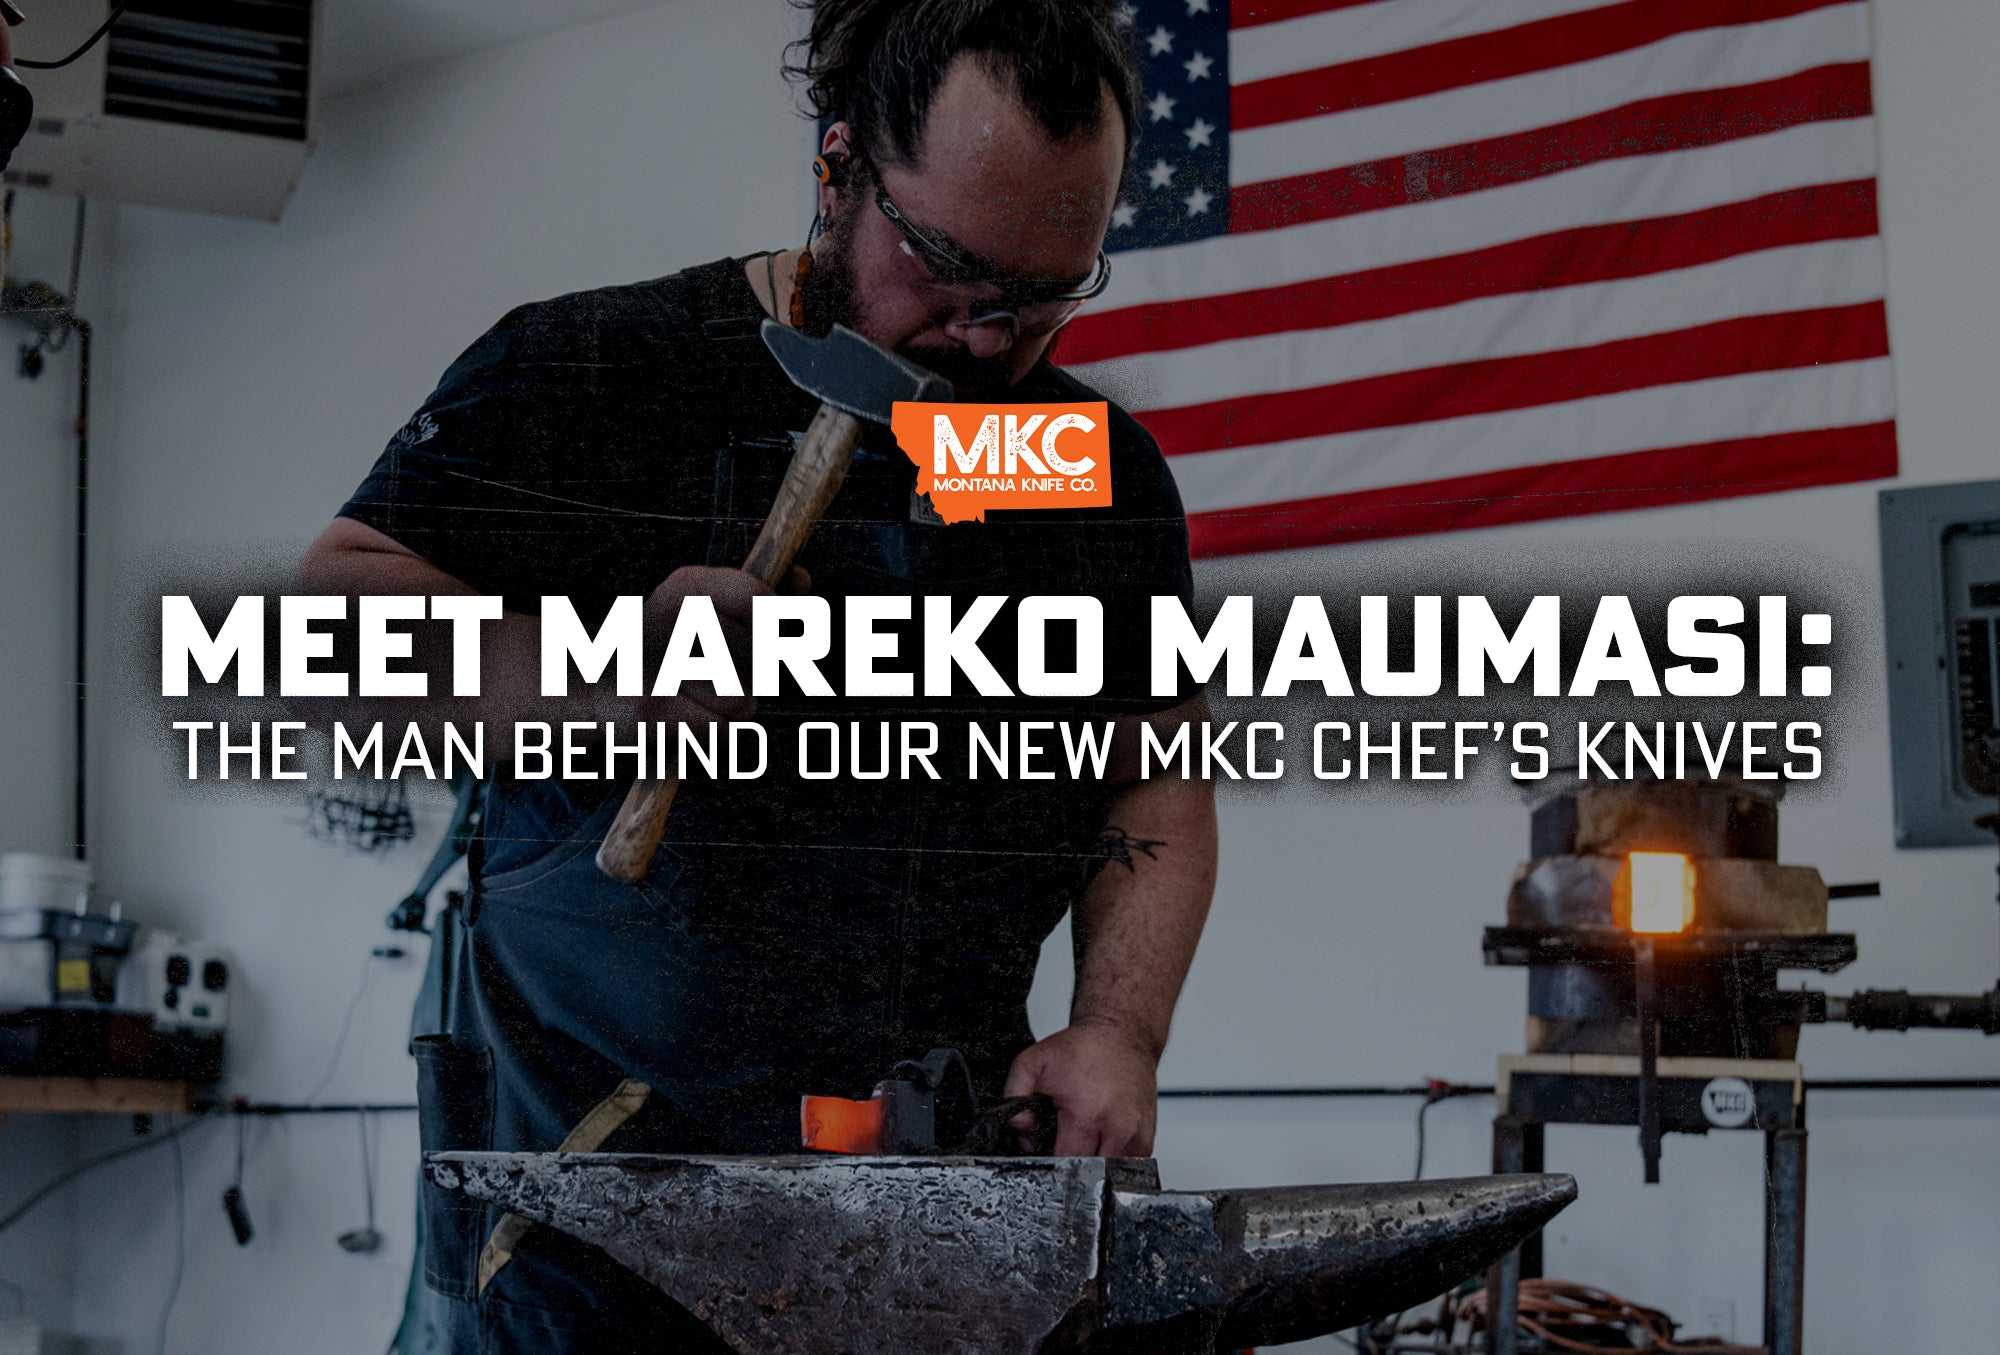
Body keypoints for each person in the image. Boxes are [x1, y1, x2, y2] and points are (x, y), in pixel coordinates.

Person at [297, 1, 1218, 1347]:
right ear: (839, 169)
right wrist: (604, 674)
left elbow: (1157, 773)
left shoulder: (1064, 458)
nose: (985, 339)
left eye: (1045, 294)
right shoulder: (602, 374)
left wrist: (1119, 1030)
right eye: (951, 268)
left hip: (927, 1209)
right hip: (587, 1222)